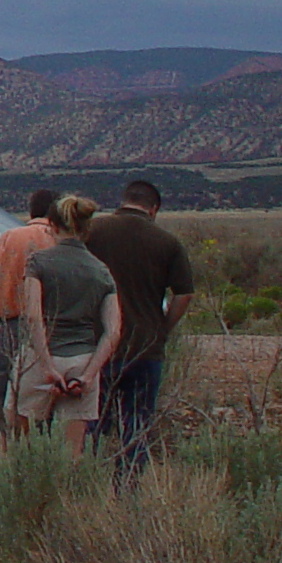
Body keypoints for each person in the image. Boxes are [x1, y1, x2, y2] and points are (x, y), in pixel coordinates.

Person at [84, 179, 196, 471]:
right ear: (154, 208)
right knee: (136, 425)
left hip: (98, 345)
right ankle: (129, 488)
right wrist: (162, 329)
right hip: (145, 348)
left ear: (122, 201)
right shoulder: (167, 242)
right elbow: (184, 294)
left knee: (92, 422)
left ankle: (85, 484)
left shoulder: (92, 232)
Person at [17, 194, 123, 456]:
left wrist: (47, 366)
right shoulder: (101, 271)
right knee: (72, 453)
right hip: (82, 360)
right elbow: (113, 331)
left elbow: (33, 315)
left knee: (17, 445)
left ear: (51, 225)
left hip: (38, 360)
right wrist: (88, 376)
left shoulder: (38, 263)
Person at [0, 188, 58, 456]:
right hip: (54, 332)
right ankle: (39, 462)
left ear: (31, 211)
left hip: (12, 328)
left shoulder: (10, 238)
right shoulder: (63, 240)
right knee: (45, 406)